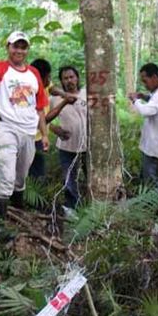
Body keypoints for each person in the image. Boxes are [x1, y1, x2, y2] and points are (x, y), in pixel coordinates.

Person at [0, 31, 49, 225]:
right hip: (4, 128)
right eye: (15, 46)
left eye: (23, 47)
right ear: (8, 48)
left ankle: (18, 212)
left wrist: (44, 134)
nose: (19, 50)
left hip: (28, 132)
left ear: (27, 50)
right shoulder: (1, 68)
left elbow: (40, 107)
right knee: (5, 177)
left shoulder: (34, 73)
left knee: (20, 177)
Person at [29, 59, 77, 180]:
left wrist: (64, 94)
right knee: (35, 174)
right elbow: (43, 120)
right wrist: (64, 102)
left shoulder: (44, 85)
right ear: (40, 78)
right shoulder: (30, 94)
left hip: (39, 137)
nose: (50, 80)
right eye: (48, 77)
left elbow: (52, 89)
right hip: (31, 138)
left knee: (38, 172)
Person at [129, 63, 158, 186]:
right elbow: (154, 103)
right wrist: (144, 97)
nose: (144, 84)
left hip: (153, 148)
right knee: (148, 179)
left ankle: (154, 205)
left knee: (151, 183)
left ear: (154, 77)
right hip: (151, 146)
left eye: (145, 80)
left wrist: (135, 100)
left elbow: (146, 111)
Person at [50, 66, 87, 211]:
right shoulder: (55, 99)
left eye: (72, 77)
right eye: (65, 78)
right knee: (69, 180)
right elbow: (41, 118)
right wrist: (55, 129)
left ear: (77, 78)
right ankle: (72, 208)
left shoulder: (86, 94)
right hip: (66, 147)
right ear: (61, 81)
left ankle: (92, 208)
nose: (69, 80)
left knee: (91, 177)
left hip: (88, 146)